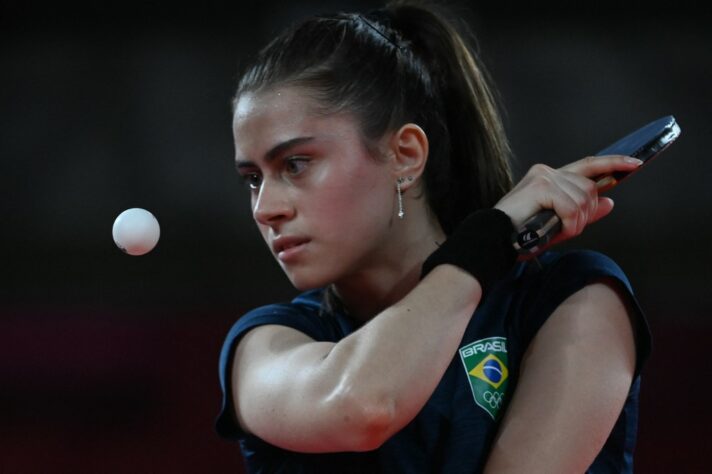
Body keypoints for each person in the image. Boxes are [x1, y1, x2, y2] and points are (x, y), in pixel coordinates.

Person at [215, 1, 651, 472]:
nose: (266, 208)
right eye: (252, 179)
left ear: (405, 155)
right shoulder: (265, 347)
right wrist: (488, 241)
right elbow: (364, 406)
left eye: (295, 165)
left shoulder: (573, 302)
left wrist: (485, 246)